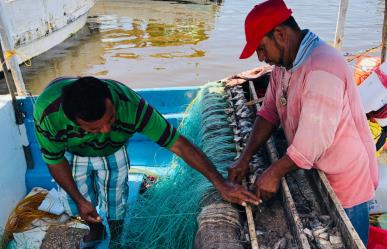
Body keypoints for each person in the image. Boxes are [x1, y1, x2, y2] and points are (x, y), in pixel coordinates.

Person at [33, 76, 259, 247]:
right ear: (74, 121)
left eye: (111, 118)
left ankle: (117, 233)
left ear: (111, 100)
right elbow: (54, 160)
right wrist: (80, 200)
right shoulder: (47, 113)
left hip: (113, 150)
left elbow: (178, 144)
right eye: (94, 128)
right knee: (80, 202)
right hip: (73, 153)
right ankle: (95, 230)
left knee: (116, 200)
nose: (105, 130)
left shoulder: (129, 104)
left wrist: (221, 183)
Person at [227, 0, 378, 245]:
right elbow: (268, 113)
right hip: (316, 170)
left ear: (280, 34)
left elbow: (311, 144)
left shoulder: (322, 68)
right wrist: (244, 158)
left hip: (345, 186)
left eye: (261, 48)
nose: (261, 57)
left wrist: (273, 173)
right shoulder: (285, 65)